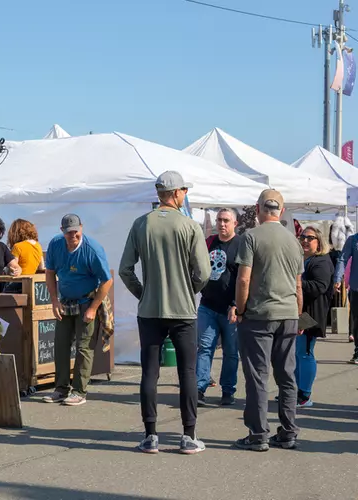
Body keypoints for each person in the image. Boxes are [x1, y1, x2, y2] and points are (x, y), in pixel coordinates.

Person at [119, 171, 211, 455]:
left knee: (150, 372)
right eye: (183, 190)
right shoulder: (189, 225)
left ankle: (150, 435)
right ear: (176, 193)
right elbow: (204, 272)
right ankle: (188, 435)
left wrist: (143, 293)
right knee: (187, 373)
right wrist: (190, 288)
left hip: (150, 310)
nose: (185, 193)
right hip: (182, 310)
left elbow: (125, 269)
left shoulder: (141, 224)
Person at [232, 189, 303, 452]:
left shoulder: (250, 236)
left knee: (257, 376)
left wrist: (240, 310)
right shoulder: (294, 241)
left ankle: (258, 433)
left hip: (259, 316)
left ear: (259, 209)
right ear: (281, 211)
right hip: (288, 314)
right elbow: (298, 285)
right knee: (287, 377)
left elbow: (243, 279)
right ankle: (288, 431)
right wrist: (297, 314)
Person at [41, 214, 113, 407]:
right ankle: (61, 388)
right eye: (68, 233)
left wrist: (93, 307)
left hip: (87, 300)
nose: (73, 236)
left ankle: (80, 391)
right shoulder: (56, 245)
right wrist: (54, 301)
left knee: (84, 347)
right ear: (61, 231)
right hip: (65, 301)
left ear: (81, 228)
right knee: (61, 345)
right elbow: (50, 273)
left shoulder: (92, 250)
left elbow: (107, 281)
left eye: (75, 232)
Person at [196, 208, 241, 407]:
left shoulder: (241, 245)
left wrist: (236, 305)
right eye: (219, 220)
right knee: (205, 348)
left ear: (235, 224)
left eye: (226, 221)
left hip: (230, 309)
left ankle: (228, 390)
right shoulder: (209, 242)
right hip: (208, 306)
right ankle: (198, 388)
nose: (222, 224)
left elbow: (244, 278)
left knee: (231, 352)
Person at [296, 226, 334, 408]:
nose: (304, 240)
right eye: (302, 236)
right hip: (301, 313)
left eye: (309, 237)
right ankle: (295, 392)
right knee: (297, 354)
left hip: (311, 315)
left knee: (305, 354)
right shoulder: (305, 259)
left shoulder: (322, 262)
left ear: (318, 241)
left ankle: (305, 395)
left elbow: (319, 286)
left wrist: (295, 283)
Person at [334, 231, 358, 363]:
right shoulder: (353, 240)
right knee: (357, 321)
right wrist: (338, 278)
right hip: (356, 287)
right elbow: (343, 258)